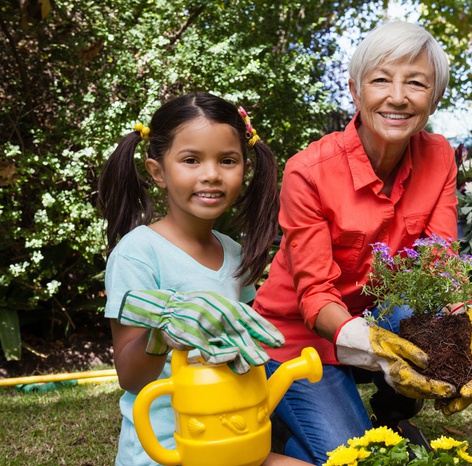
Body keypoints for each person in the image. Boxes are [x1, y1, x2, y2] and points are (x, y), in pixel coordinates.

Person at [252, 22, 472, 465]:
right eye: (380, 79)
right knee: (355, 457)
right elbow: (315, 297)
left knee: (431, 321)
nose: (397, 96)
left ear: (434, 98)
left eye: (416, 83)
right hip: (298, 339)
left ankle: (392, 412)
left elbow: (440, 264)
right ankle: (275, 432)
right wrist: (375, 347)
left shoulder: (439, 156)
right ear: (355, 90)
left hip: (377, 317)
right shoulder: (308, 171)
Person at [97, 92, 312, 466]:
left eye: (227, 161)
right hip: (168, 451)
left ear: (244, 168)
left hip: (236, 440)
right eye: (191, 160)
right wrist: (163, 330)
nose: (211, 174)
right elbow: (130, 378)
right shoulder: (138, 253)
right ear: (158, 172)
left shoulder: (233, 251)